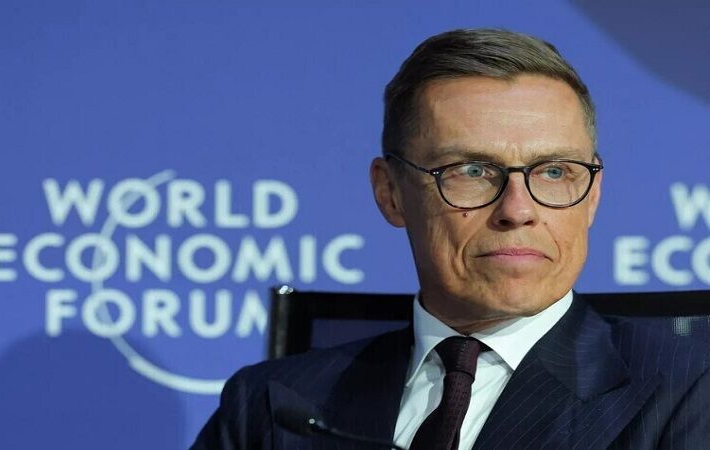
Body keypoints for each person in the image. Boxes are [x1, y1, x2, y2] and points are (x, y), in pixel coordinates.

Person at [192, 28, 710, 449]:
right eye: (472, 171)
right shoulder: (273, 406)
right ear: (391, 193)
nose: (518, 210)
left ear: (592, 194)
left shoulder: (690, 389)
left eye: (554, 172)